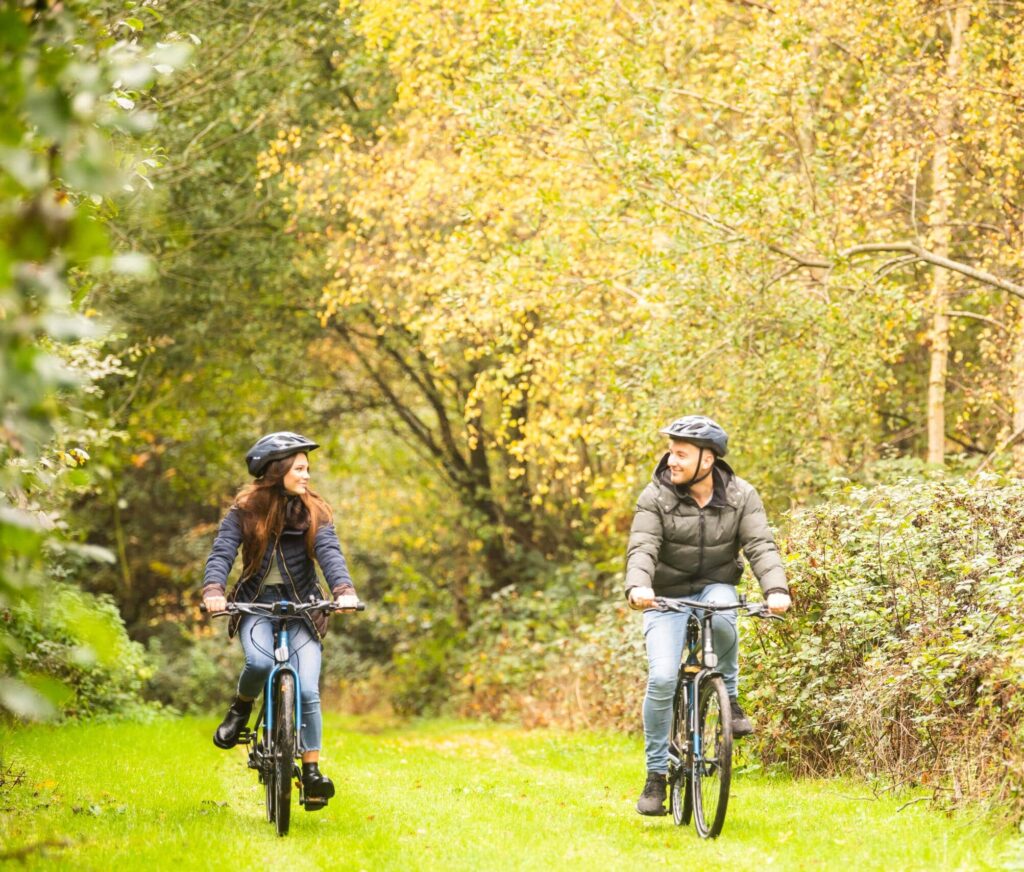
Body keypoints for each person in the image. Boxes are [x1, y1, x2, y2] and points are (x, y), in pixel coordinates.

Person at [624, 415, 791, 816]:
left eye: (681, 453)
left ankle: (729, 701)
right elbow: (642, 545)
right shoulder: (656, 496)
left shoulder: (740, 495)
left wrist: (777, 589)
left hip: (715, 583)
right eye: (671, 451)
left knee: (722, 613)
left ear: (708, 459)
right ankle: (656, 775)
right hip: (663, 595)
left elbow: (760, 546)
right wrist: (638, 586)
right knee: (663, 676)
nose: (671, 461)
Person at [201, 431, 360, 810]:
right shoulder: (245, 510)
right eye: (300, 468)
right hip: (257, 604)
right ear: (279, 470)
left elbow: (330, 552)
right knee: (259, 662)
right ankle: (241, 710)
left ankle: (311, 772)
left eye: (307, 468)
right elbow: (222, 552)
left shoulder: (313, 510)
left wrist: (343, 591)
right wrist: (213, 591)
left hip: (303, 606)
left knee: (307, 689)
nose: (307, 475)